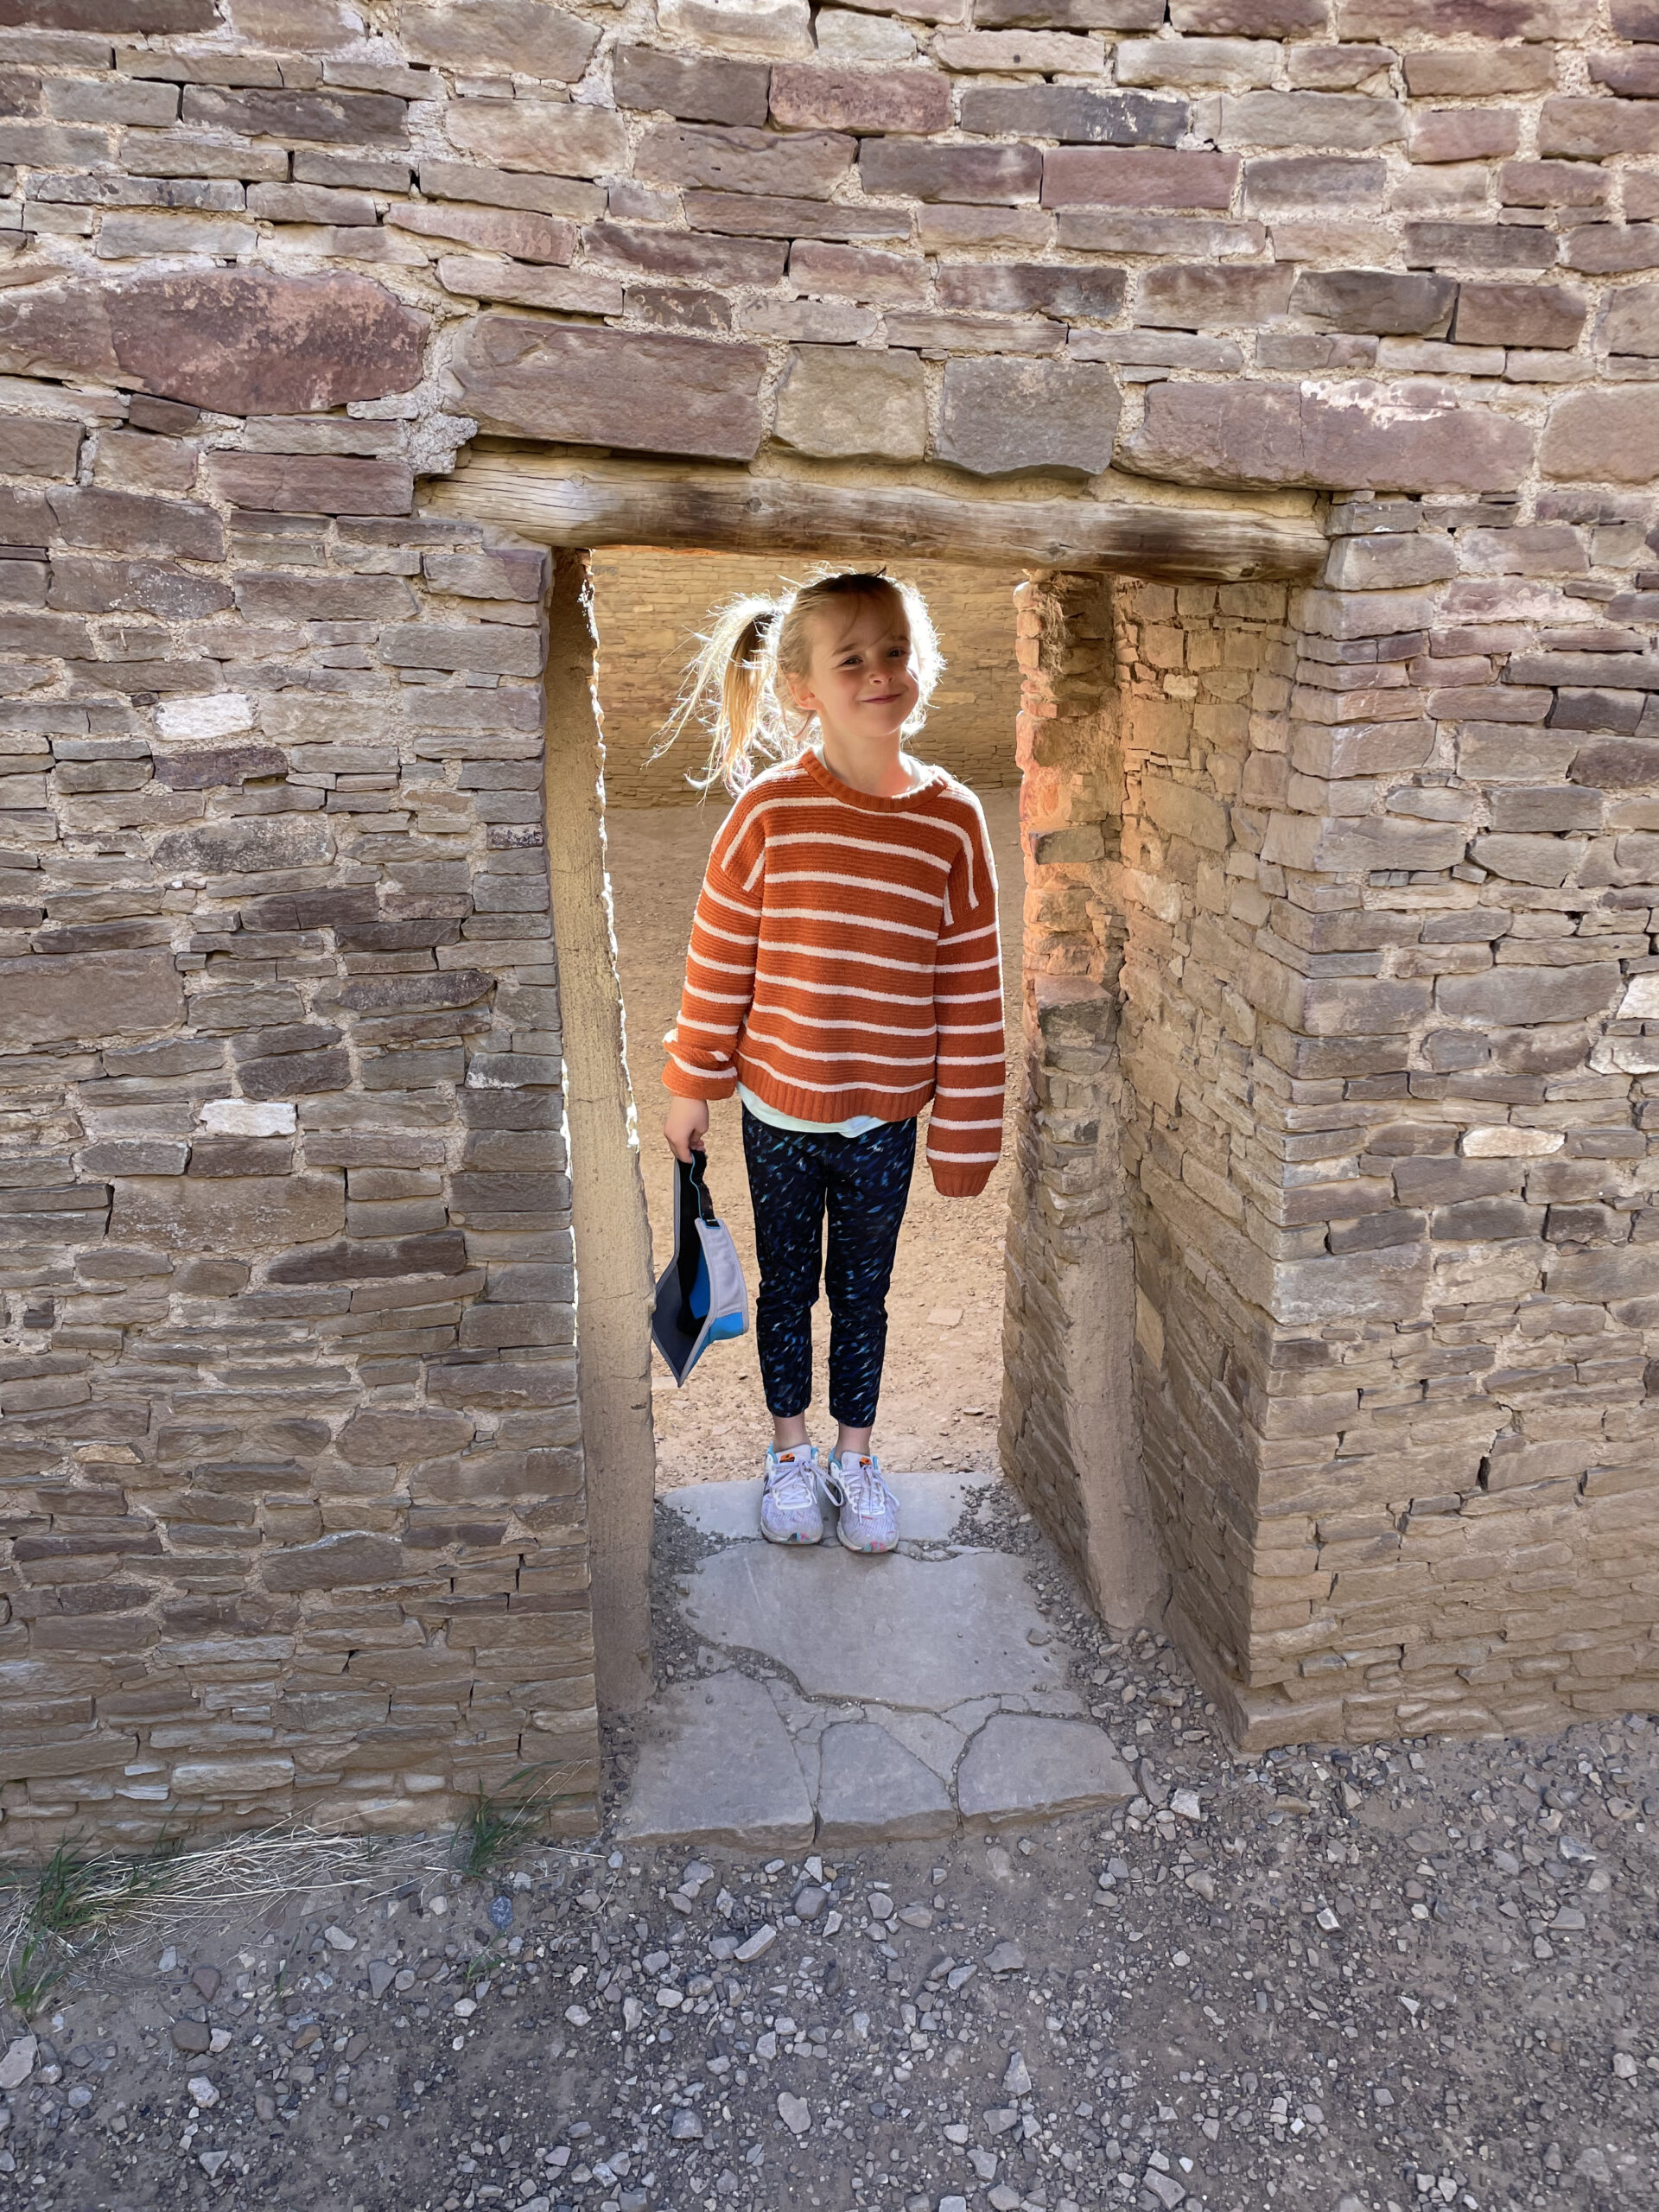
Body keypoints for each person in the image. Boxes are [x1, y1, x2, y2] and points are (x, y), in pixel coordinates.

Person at [658, 568, 1006, 1554]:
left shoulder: (952, 821)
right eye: (851, 659)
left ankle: (857, 1457)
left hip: (884, 1121)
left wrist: (967, 1128)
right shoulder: (771, 812)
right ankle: (789, 1451)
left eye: (895, 651)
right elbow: (719, 955)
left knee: (864, 1292)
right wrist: (692, 1085)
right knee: (785, 1289)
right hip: (778, 1114)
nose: (879, 673)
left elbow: (968, 983)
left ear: (921, 666)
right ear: (805, 686)